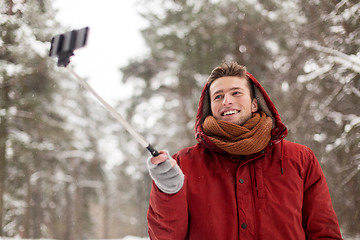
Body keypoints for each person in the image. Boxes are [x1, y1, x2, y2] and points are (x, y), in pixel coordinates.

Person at [146, 62, 343, 240]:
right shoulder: (184, 163)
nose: (227, 101)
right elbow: (166, 238)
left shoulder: (300, 158)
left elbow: (324, 231)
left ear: (254, 104)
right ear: (210, 108)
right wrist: (167, 191)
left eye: (236, 93)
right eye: (218, 96)